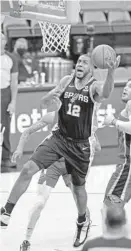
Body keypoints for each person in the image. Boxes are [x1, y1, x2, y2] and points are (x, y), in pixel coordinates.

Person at [0, 53, 120, 247]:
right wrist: (50, 98)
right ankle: (6, 211)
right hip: (59, 138)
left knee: (78, 189)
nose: (80, 64)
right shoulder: (66, 81)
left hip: (80, 145)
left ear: (91, 68)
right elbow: (44, 103)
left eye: (84, 62)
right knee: (28, 168)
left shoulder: (94, 86)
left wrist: (112, 72)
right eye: (78, 61)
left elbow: (106, 93)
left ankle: (82, 220)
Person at [103, 79, 131, 208]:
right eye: (125, 85)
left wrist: (114, 121)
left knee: (110, 208)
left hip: (127, 166)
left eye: (130, 87)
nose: (125, 88)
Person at [0, 33, 18, 169]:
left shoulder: (11, 58)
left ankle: (5, 158)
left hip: (4, 94)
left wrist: (13, 102)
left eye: (1, 38)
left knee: (4, 127)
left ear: (5, 41)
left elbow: (14, 83)